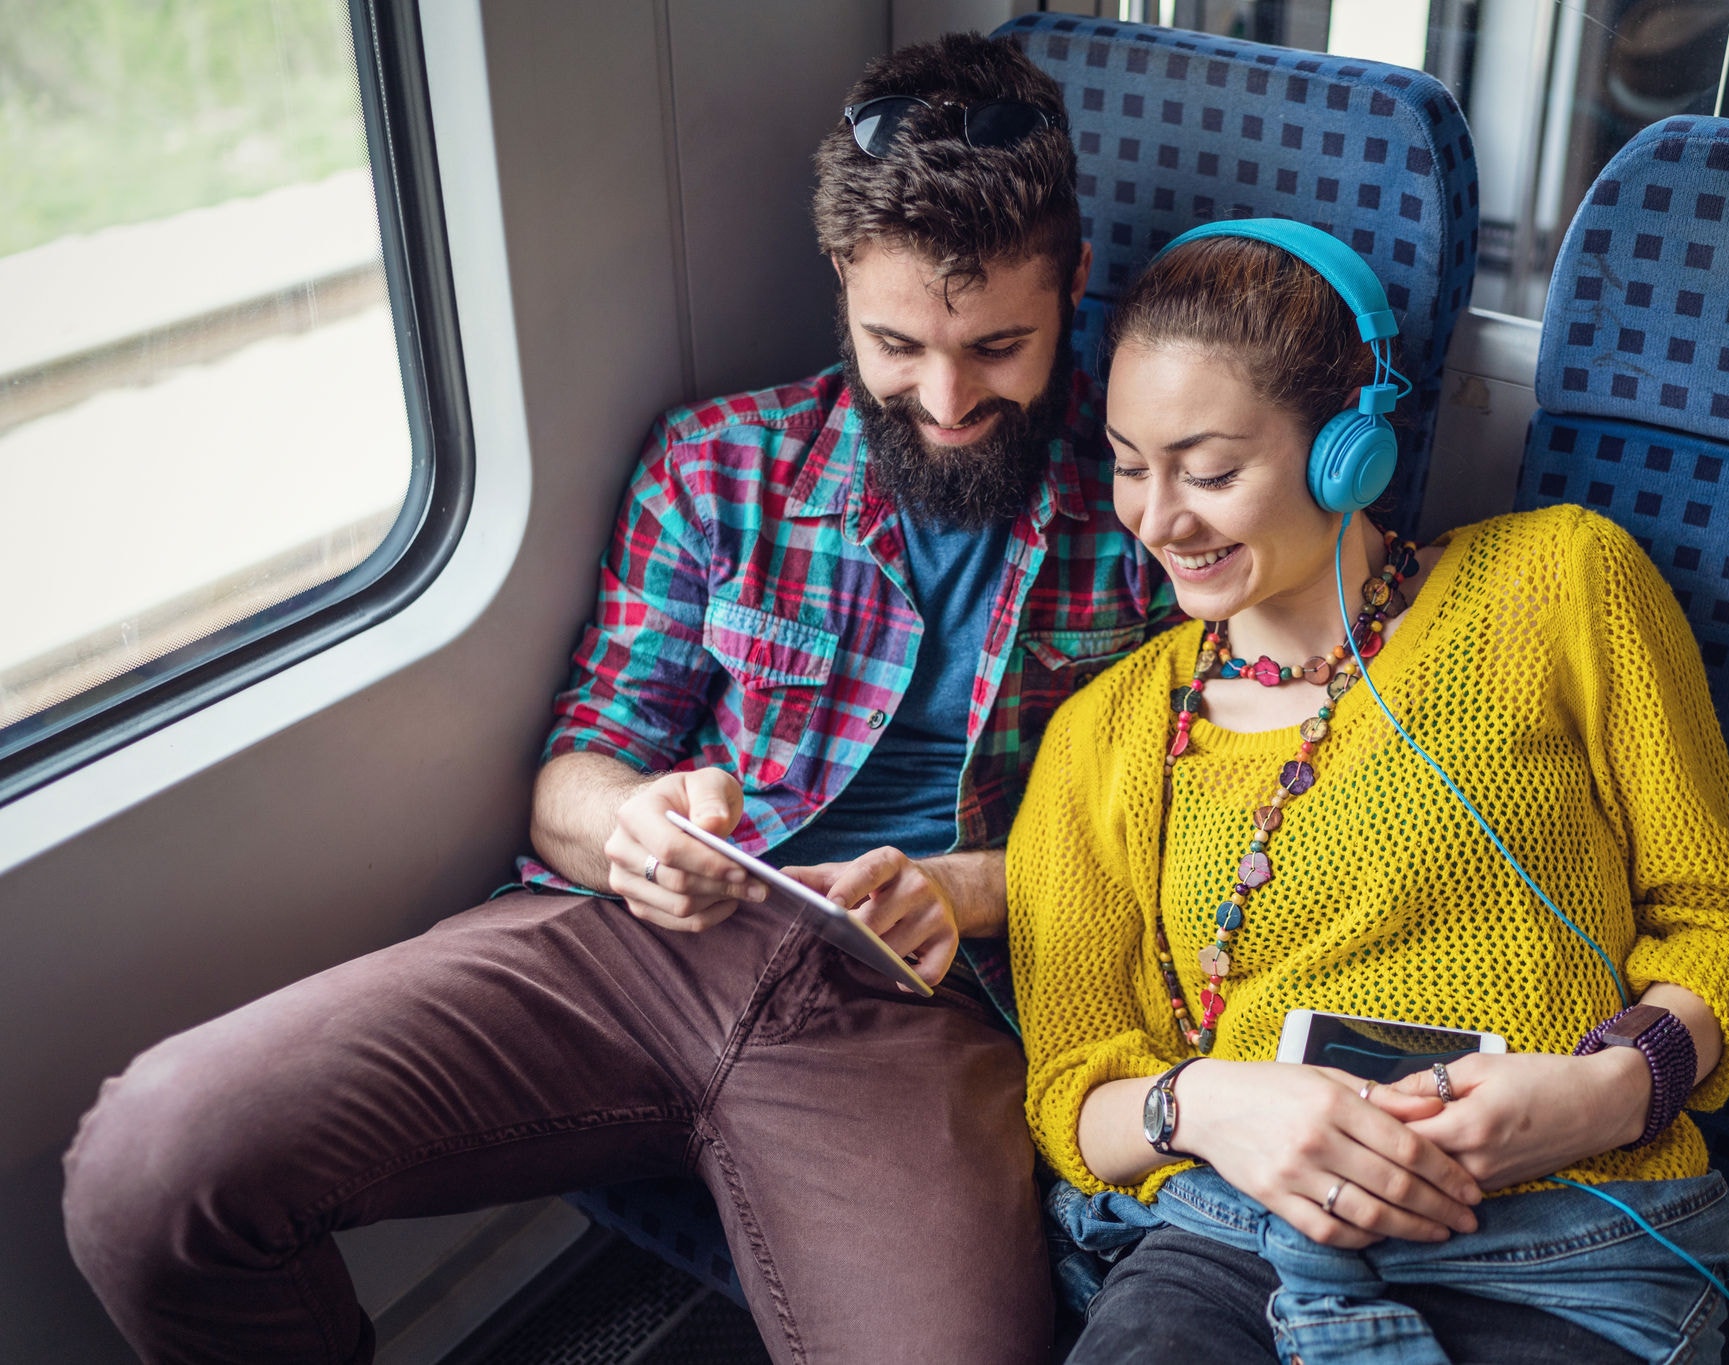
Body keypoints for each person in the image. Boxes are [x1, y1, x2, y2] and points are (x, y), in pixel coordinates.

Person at [62, 33, 1173, 1365]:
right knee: (153, 1166)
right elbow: (579, 768)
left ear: (1074, 283)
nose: (943, 400)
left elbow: (1188, 835)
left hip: (924, 1007)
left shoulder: (1157, 519)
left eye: (997, 346)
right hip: (632, 947)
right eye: (896, 344)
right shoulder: (717, 465)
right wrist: (633, 826)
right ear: (840, 280)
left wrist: (964, 890)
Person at [1006, 223, 1729, 1365]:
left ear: (1350, 450)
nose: (1158, 519)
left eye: (1212, 472)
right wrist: (1205, 1106)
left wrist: (1607, 1092)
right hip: (1238, 1243)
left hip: (1568, 1242)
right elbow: (1071, 1091)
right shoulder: (1103, 736)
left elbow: (1727, 929)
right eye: (1132, 465)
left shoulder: (1562, 581)